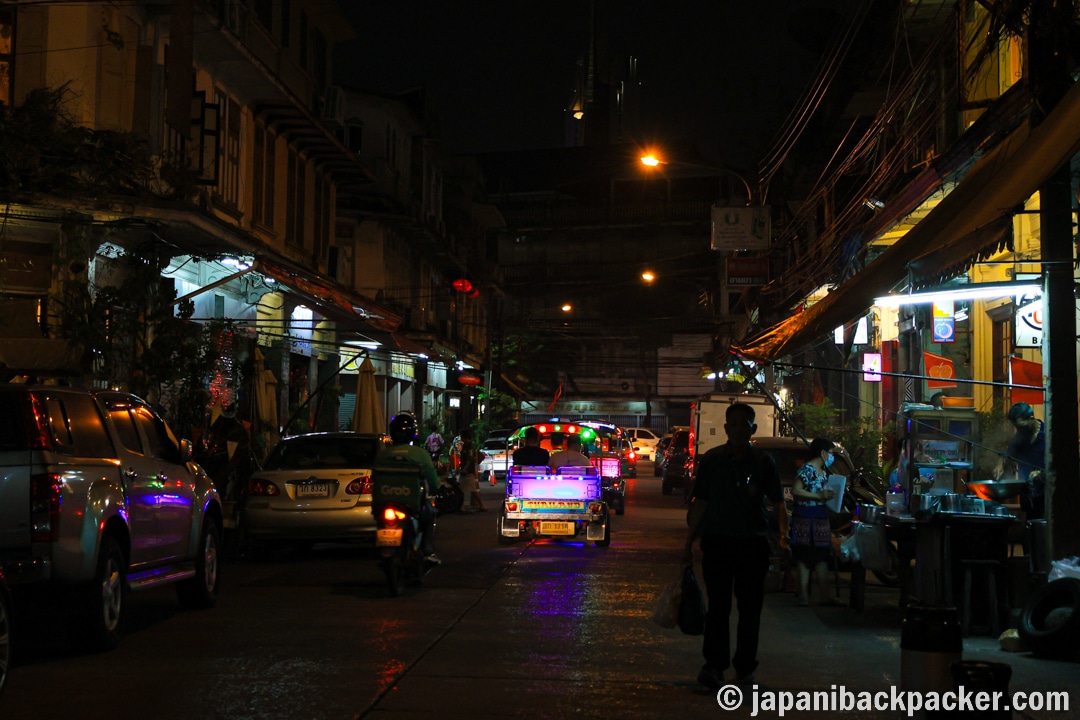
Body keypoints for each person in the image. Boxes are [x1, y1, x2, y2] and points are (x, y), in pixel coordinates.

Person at [683, 402, 788, 690]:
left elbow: (778, 503)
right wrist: (688, 541)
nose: (740, 429)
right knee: (718, 607)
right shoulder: (713, 461)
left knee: (750, 610)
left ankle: (744, 670)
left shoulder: (765, 462)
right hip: (717, 543)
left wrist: (783, 537)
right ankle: (714, 667)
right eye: (735, 424)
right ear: (727, 428)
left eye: (746, 424)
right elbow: (700, 502)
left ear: (753, 429)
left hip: (753, 545)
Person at [376, 413, 441, 564]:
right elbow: (432, 479)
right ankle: (427, 550)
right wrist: (436, 488)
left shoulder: (383, 454)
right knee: (430, 514)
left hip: (384, 501)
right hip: (411, 502)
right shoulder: (420, 454)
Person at [790, 438, 839, 607]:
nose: (832, 456)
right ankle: (803, 596)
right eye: (831, 453)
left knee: (821, 556)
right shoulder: (807, 469)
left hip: (820, 516)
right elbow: (796, 490)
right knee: (805, 556)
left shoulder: (825, 471)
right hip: (804, 516)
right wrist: (818, 496)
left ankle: (824, 596)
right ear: (823, 453)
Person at [996, 401, 1046, 519]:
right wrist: (1000, 465)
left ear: (1031, 418)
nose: (1019, 430)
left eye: (1022, 426)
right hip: (1027, 493)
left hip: (1046, 493)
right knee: (1029, 525)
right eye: (1017, 427)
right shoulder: (1020, 436)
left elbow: (1059, 465)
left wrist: (1042, 473)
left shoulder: (1047, 436)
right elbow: (1008, 455)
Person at [457, 429, 487, 512]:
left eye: (461, 437)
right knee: (466, 489)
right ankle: (479, 505)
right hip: (465, 469)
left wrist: (465, 468)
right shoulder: (465, 445)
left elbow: (470, 458)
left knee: (466, 489)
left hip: (468, 471)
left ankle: (479, 505)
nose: (460, 439)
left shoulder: (469, 446)